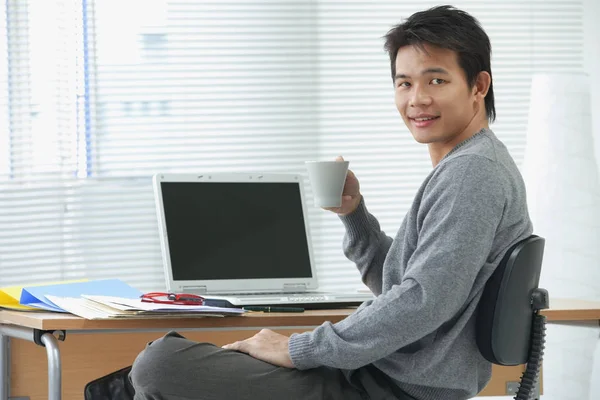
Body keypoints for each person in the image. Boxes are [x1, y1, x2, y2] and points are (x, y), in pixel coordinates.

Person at [129, 5, 533, 400]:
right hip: (379, 374)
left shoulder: (473, 172)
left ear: (479, 86)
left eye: (437, 81)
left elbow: (424, 301)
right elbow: (405, 286)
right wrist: (354, 213)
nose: (417, 99)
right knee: (153, 369)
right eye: (404, 83)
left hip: (389, 386)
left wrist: (298, 348)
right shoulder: (466, 166)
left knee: (160, 363)